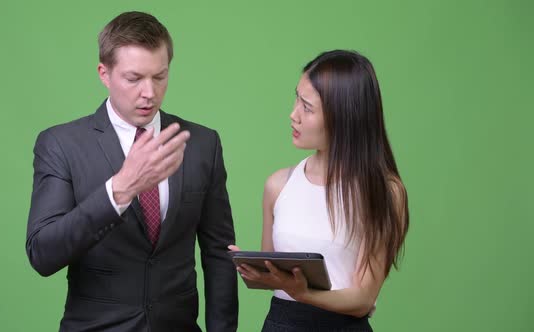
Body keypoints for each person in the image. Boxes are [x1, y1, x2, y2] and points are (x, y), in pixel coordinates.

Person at [26, 11, 238, 332]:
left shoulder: (202, 144)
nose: (149, 93)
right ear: (104, 73)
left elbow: (219, 253)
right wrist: (119, 190)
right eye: (134, 78)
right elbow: (43, 254)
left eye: (160, 76)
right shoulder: (60, 144)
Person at [229, 50, 409, 331]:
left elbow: (363, 299)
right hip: (281, 324)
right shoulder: (278, 185)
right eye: (296, 99)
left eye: (307, 107)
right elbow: (273, 271)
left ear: (344, 117)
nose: (293, 114)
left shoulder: (384, 192)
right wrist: (256, 272)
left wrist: (305, 294)